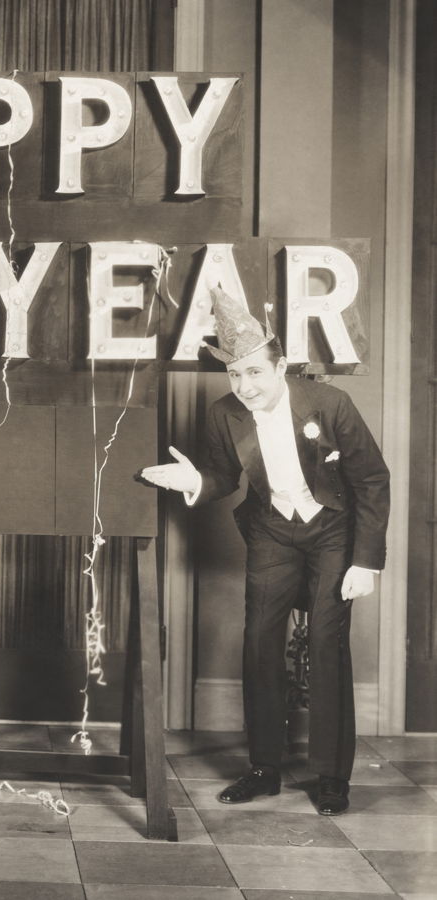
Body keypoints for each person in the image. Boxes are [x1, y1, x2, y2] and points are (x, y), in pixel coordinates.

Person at [141, 287, 389, 816]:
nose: (245, 385)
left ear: (280, 367)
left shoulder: (330, 404)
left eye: (255, 372)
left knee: (325, 640)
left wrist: (365, 561)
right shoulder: (224, 414)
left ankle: (332, 776)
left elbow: (371, 480)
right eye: (235, 374)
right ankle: (263, 768)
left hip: (331, 530)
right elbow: (223, 476)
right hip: (272, 530)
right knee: (258, 639)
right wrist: (194, 481)